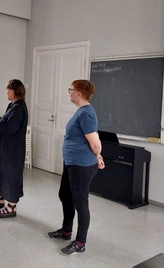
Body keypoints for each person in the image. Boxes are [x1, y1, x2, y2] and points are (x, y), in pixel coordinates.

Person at [47, 79, 105, 255]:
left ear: (79, 93)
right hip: (72, 162)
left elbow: (95, 143)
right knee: (65, 195)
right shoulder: (81, 112)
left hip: (82, 165)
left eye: (71, 90)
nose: (70, 92)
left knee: (80, 203)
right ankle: (66, 231)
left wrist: (97, 155)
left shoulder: (85, 113)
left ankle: (80, 242)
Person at [0, 79, 29, 219]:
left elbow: (11, 128)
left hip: (13, 150)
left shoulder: (19, 107)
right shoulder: (12, 105)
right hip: (6, 148)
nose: (6, 92)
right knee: (2, 171)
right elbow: (8, 120)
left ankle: (11, 206)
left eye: (8, 89)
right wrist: (0, 119)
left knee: (11, 174)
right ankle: (0, 198)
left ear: (15, 91)